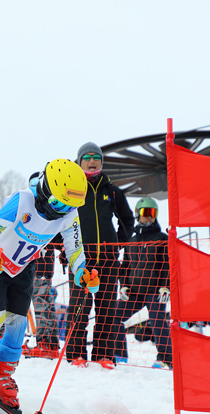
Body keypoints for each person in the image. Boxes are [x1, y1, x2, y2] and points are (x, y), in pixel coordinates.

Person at [0, 158, 97, 412]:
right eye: (57, 203)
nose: (61, 210)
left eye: (68, 206)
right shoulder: (23, 200)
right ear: (47, 190)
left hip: (24, 266)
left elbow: (74, 245)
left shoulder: (68, 212)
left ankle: (0, 377)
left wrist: (81, 270)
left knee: (18, 322)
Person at [66, 142, 133, 367]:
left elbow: (127, 220)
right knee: (79, 308)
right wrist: (64, 250)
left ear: (101, 162)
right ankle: (75, 354)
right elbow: (59, 220)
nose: (92, 161)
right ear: (79, 161)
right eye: (87, 157)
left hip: (107, 258)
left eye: (96, 157)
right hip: (80, 259)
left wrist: (120, 244)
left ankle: (103, 355)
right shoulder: (72, 189)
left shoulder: (112, 191)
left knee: (106, 308)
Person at [113, 197, 173, 368]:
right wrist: (123, 285)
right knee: (114, 316)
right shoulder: (132, 240)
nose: (149, 217)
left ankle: (166, 359)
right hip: (135, 291)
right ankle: (119, 355)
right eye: (145, 213)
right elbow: (125, 265)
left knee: (157, 319)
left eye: (152, 213)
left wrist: (165, 287)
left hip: (155, 291)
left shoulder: (162, 238)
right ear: (138, 214)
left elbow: (167, 264)